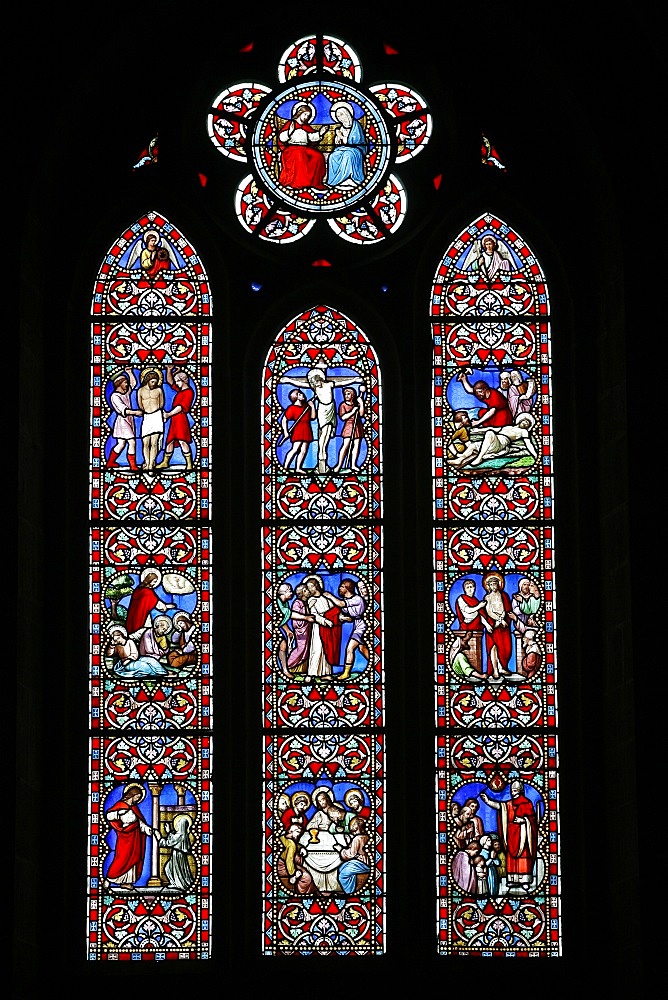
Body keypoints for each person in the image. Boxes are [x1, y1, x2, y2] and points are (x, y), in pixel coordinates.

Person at [279, 366, 361, 473]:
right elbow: (300, 384)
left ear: (320, 379)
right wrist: (289, 380)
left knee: (328, 432)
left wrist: (354, 380)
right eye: (313, 383)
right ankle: (321, 455)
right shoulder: (315, 388)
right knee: (323, 433)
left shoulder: (329, 384)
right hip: (322, 410)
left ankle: (322, 456)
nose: (314, 385)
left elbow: (342, 382)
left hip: (331, 408)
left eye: (315, 382)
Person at [481, 781, 539, 892]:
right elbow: (500, 806)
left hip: (523, 835)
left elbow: (532, 820)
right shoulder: (509, 804)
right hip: (511, 835)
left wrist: (524, 820)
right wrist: (488, 801)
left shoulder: (527, 803)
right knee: (511, 858)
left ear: (521, 790)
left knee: (523, 858)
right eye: (512, 790)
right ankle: (513, 879)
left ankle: (525, 880)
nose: (513, 792)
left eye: (516, 789)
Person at [104, 783, 156, 889]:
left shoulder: (134, 808)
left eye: (139, 798)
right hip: (124, 838)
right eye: (137, 797)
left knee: (133, 859)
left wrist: (149, 830)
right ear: (132, 795)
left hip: (135, 838)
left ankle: (126, 882)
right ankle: (109, 879)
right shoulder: (120, 805)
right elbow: (109, 815)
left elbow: (140, 823)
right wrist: (120, 814)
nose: (137, 800)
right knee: (121, 859)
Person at [322, 578, 369, 679]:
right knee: (362, 648)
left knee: (350, 648)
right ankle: (373, 663)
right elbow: (349, 615)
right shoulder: (348, 600)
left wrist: (330, 596)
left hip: (363, 626)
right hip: (358, 625)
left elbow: (340, 604)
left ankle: (346, 673)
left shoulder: (357, 599)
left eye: (342, 586)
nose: (339, 588)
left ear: (348, 588)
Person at [277, 102, 328, 189]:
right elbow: (282, 138)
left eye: (308, 116)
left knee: (318, 156)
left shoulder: (306, 126)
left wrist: (320, 133)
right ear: (299, 113)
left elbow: (311, 137)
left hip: (304, 148)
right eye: (305, 114)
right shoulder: (291, 124)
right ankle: (299, 182)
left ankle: (314, 182)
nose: (306, 117)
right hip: (292, 149)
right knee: (299, 154)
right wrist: (290, 131)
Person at [156, 367, 195, 470]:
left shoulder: (188, 392)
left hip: (181, 419)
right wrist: (169, 370)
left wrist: (168, 414)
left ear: (183, 381)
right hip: (174, 420)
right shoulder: (180, 390)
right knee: (170, 441)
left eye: (178, 381)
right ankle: (165, 462)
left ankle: (189, 464)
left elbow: (181, 407)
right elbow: (170, 381)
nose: (176, 383)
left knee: (182, 441)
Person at [304, 575, 341, 678]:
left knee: (326, 650)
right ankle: (311, 674)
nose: (310, 589)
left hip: (328, 629)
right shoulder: (311, 600)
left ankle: (326, 673)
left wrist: (340, 617)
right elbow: (314, 615)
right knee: (316, 649)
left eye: (311, 586)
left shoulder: (325, 598)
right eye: (308, 587)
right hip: (318, 627)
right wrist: (325, 621)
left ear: (316, 586)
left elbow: (334, 611)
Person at [325, 101, 367, 189]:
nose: (340, 118)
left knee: (348, 155)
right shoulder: (341, 127)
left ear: (347, 113)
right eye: (338, 116)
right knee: (333, 156)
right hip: (343, 148)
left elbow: (356, 141)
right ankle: (335, 181)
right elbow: (338, 144)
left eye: (341, 115)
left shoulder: (356, 125)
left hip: (356, 149)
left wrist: (342, 137)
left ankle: (350, 179)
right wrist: (338, 138)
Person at [125, 569, 175, 639]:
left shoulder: (138, 589)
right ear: (149, 580)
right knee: (145, 630)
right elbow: (156, 603)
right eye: (154, 581)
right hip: (142, 615)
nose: (155, 583)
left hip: (134, 614)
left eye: (156, 582)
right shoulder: (148, 592)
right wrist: (166, 606)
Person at [105, 624, 169, 678]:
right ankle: (159, 675)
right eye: (115, 639)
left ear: (122, 635)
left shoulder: (130, 641)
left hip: (134, 659)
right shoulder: (116, 646)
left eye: (118, 638)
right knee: (145, 666)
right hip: (126, 664)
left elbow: (135, 654)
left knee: (152, 661)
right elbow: (109, 654)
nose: (117, 640)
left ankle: (164, 672)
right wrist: (112, 645)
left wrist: (129, 659)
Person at [481, 571, 513, 678]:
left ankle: (502, 668)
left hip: (503, 626)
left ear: (498, 584)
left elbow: (506, 609)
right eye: (491, 584)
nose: (493, 586)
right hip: (493, 625)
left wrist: (503, 619)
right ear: (488, 586)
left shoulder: (504, 595)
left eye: (495, 584)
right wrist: (498, 620)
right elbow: (489, 611)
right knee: (493, 647)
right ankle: (495, 670)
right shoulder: (487, 597)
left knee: (505, 648)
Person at [106, 370, 138, 470]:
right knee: (132, 442)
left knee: (121, 444)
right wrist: (136, 412)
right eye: (125, 382)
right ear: (119, 384)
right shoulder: (115, 396)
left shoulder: (125, 393)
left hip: (128, 420)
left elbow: (134, 383)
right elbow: (123, 409)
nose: (127, 384)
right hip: (122, 422)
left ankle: (110, 463)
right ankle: (133, 466)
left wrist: (129, 372)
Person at [280, 389, 315, 473]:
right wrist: (285, 432)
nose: (302, 395)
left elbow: (313, 417)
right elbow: (284, 420)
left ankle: (298, 468)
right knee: (295, 449)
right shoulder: (292, 408)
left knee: (303, 451)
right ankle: (285, 467)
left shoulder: (306, 407)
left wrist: (312, 406)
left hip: (307, 429)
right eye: (300, 394)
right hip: (298, 429)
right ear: (296, 397)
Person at [137, 368, 165, 472]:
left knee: (154, 443)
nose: (154, 384)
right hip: (147, 417)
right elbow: (140, 404)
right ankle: (147, 461)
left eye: (156, 382)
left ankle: (150, 466)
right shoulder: (140, 391)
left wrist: (156, 411)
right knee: (145, 442)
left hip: (157, 416)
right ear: (148, 380)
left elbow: (161, 403)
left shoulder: (159, 390)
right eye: (152, 381)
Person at [159, 814, 195, 891]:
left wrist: (160, 838)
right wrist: (170, 832)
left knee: (175, 869)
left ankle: (179, 884)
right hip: (179, 855)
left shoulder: (180, 835)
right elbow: (173, 839)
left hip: (177, 854)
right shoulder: (183, 835)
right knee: (171, 868)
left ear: (182, 825)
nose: (177, 825)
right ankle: (176, 883)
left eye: (179, 823)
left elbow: (169, 843)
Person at [332, 387, 365, 471]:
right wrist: (353, 411)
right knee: (345, 446)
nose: (346, 396)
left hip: (357, 425)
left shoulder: (356, 404)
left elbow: (361, 414)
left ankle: (353, 465)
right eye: (345, 394)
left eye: (348, 394)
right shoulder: (343, 405)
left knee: (356, 446)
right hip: (349, 426)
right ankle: (339, 465)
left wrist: (361, 404)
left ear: (353, 395)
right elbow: (343, 417)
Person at [286, 582, 314, 674]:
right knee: (301, 649)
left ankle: (301, 669)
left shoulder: (306, 602)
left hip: (307, 629)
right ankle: (288, 665)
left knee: (307, 649)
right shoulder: (297, 603)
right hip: (301, 630)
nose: (308, 591)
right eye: (305, 590)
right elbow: (294, 617)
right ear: (301, 593)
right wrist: (306, 619)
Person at [337, 816, 370, 893]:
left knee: (343, 875)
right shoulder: (366, 836)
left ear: (357, 827)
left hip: (362, 863)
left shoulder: (357, 839)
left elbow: (350, 854)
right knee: (341, 867)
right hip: (364, 862)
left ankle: (349, 893)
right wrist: (349, 841)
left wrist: (340, 850)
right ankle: (351, 885)